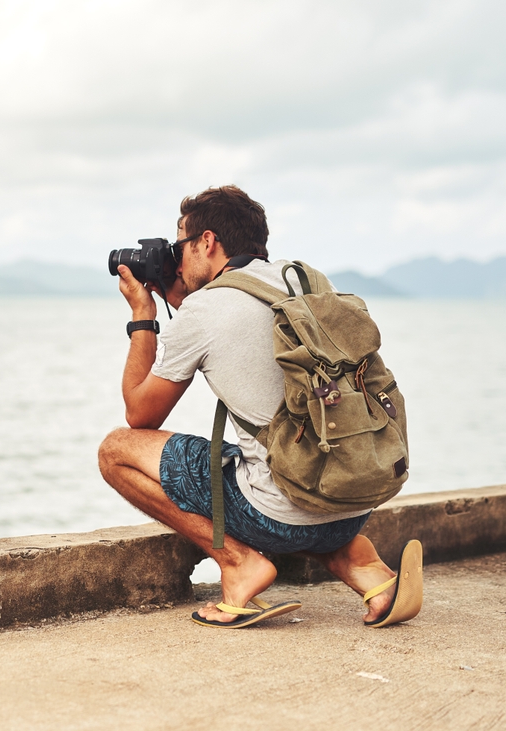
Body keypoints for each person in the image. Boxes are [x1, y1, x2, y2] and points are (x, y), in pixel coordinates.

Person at [98, 185, 422, 629]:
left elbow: (140, 416)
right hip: (354, 498)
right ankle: (361, 564)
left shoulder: (204, 312)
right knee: (287, 459)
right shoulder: (303, 279)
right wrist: (186, 297)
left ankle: (237, 563)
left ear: (207, 242)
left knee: (116, 450)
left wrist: (142, 313)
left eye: (180, 245)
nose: (175, 258)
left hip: (282, 514)